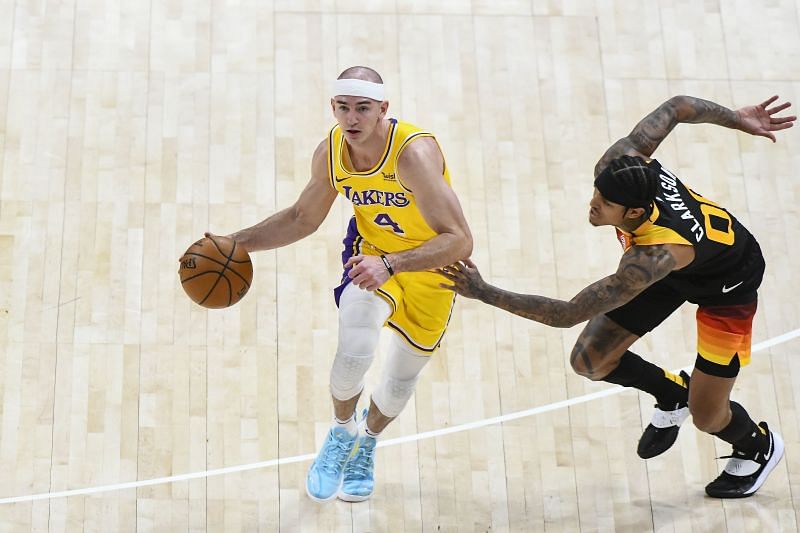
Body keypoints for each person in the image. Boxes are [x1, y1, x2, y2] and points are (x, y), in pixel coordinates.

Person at [439, 95, 795, 498]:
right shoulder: (620, 162)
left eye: (605, 204)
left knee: (707, 415)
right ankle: (669, 392)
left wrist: (484, 292)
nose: (593, 205)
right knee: (589, 361)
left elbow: (567, 313)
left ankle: (758, 446)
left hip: (727, 285)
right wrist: (737, 119)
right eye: (597, 193)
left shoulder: (652, 259)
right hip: (682, 263)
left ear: (633, 214)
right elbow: (678, 107)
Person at [219, 66, 473, 502]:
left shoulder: (413, 155)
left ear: (383, 110)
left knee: (397, 385)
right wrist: (233, 244)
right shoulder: (332, 152)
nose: (352, 118)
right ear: (333, 108)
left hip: (430, 269)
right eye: (343, 108)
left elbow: (461, 241)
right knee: (354, 351)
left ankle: (367, 443)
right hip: (371, 256)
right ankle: (341, 433)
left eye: (362, 108)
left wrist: (393, 264)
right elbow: (302, 218)